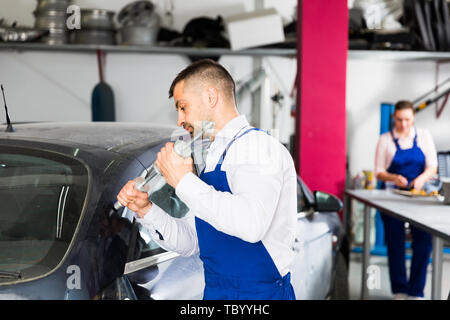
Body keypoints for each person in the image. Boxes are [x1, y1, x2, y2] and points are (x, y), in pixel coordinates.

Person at [116, 59, 297, 300]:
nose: (179, 120)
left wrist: (183, 182)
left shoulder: (258, 148)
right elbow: (191, 241)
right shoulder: (212, 158)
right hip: (215, 293)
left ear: (211, 98)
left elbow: (251, 225)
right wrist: (146, 210)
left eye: (183, 107)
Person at [374, 100, 438, 299]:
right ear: (394, 118)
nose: (403, 124)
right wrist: (394, 178)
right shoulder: (385, 140)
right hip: (393, 199)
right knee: (396, 242)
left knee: (424, 241)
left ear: (413, 118)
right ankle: (400, 290)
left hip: (419, 198)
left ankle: (416, 291)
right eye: (400, 120)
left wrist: (421, 179)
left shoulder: (424, 136)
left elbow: (432, 166)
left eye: (407, 120)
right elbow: (378, 172)